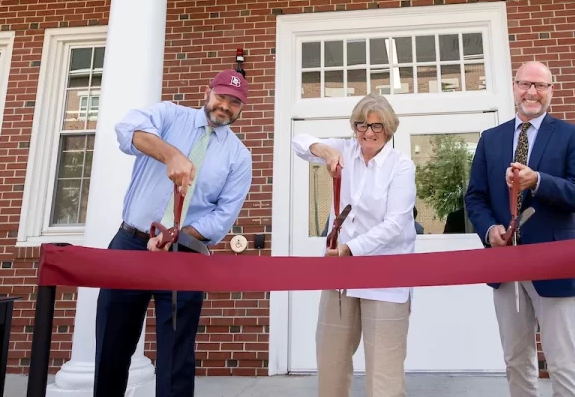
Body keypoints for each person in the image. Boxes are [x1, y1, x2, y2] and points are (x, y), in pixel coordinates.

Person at [94, 70, 253, 397]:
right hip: (130, 245)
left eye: (234, 102)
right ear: (207, 91)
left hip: (186, 255)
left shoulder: (239, 156)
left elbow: (223, 216)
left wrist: (176, 235)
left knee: (176, 357)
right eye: (221, 96)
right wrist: (171, 154)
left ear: (242, 108)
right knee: (112, 345)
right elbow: (127, 130)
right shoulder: (168, 115)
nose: (225, 106)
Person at [464, 61, 575, 397]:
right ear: (514, 87)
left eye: (540, 86)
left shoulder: (571, 135)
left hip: (554, 263)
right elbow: (475, 197)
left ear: (551, 91)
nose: (532, 92)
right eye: (525, 84)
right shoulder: (491, 139)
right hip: (505, 265)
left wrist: (538, 181)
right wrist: (489, 229)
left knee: (562, 360)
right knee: (515, 359)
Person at [291, 93, 416, 397]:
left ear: (389, 128)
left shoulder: (401, 166)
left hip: (386, 278)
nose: (368, 132)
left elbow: (395, 224)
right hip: (340, 277)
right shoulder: (345, 149)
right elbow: (298, 142)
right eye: (361, 125)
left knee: (383, 370)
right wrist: (324, 150)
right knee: (331, 359)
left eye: (377, 126)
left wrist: (351, 248)